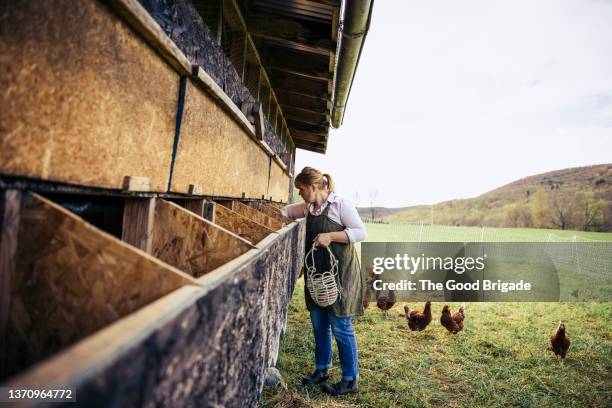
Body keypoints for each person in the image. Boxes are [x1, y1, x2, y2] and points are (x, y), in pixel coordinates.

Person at [281, 167, 367, 396]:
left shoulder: (340, 205)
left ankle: (350, 380)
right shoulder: (309, 208)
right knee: (319, 325)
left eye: (301, 189)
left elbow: (360, 232)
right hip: (317, 276)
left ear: (312, 187)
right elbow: (286, 211)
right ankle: (322, 369)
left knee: (341, 326)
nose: (299, 194)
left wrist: (331, 236)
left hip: (340, 276)